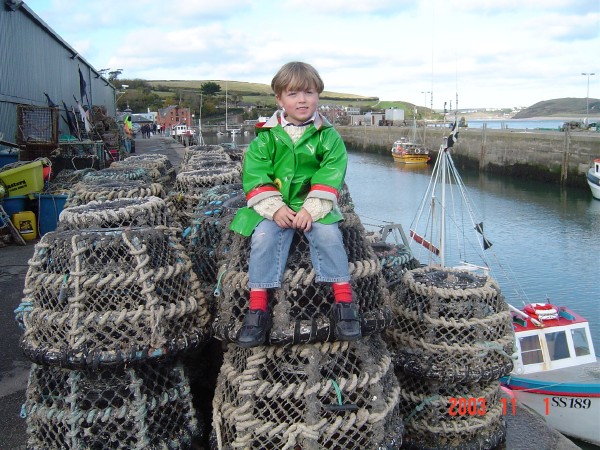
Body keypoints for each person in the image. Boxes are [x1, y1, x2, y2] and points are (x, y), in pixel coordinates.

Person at [230, 61, 361, 347]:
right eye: (292, 94)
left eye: (309, 92)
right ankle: (258, 309)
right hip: (274, 204)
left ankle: (344, 304)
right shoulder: (265, 138)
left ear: (318, 95)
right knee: (263, 237)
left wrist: (311, 208)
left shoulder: (329, 136)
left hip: (315, 204)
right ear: (279, 99)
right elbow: (255, 174)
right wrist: (274, 208)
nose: (302, 100)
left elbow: (331, 173)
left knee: (329, 235)